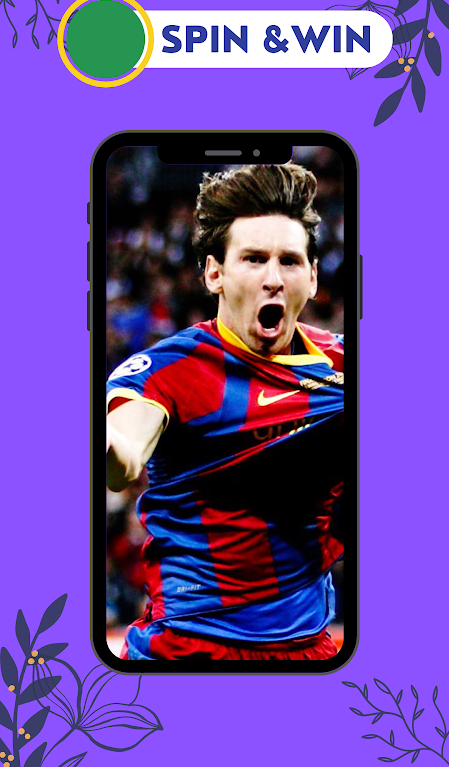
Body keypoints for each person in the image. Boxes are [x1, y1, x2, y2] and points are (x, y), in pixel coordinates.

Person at [107, 163, 344, 661]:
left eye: (289, 261)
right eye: (254, 259)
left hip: (312, 653)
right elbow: (123, 454)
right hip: (188, 650)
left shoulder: (347, 366)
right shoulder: (168, 370)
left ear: (313, 277)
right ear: (214, 273)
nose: (273, 279)